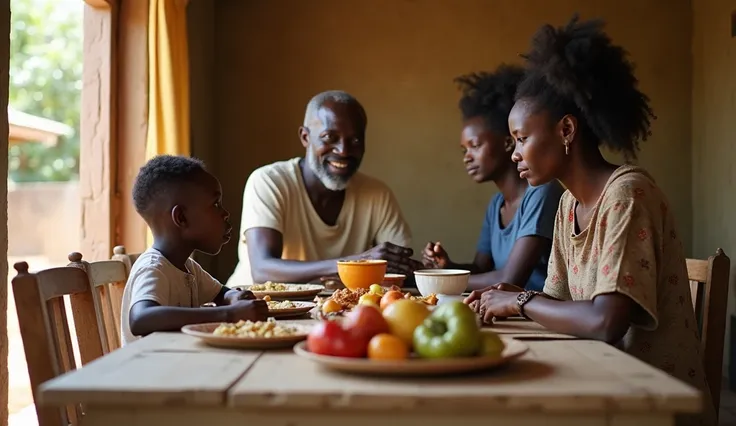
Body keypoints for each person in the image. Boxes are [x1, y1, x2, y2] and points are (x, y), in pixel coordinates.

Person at [465, 15, 715, 426]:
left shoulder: (628, 194)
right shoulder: (567, 206)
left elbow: (605, 322)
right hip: (603, 384)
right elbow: (559, 307)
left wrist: (522, 301)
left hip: (653, 404)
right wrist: (510, 297)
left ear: (566, 129)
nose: (514, 155)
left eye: (522, 139)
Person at [226, 90, 421, 287]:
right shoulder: (269, 182)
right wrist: (354, 263)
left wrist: (433, 268)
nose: (343, 151)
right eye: (330, 137)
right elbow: (262, 269)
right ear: (305, 137)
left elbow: (399, 271)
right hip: (255, 309)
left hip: (332, 308)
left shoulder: (377, 194)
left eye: (354, 140)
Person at [422, 65, 564, 291]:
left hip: (538, 319)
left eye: (475, 146)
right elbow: (481, 268)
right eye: (463, 151)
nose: (467, 158)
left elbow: (510, 279)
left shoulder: (541, 193)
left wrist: (440, 279)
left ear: (508, 142)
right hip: (507, 315)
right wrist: (447, 266)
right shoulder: (496, 206)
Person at [121, 155, 268, 346]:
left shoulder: (188, 266)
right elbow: (141, 319)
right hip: (148, 369)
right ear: (181, 218)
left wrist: (235, 297)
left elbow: (220, 293)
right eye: (215, 204)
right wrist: (229, 314)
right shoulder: (153, 268)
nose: (225, 213)